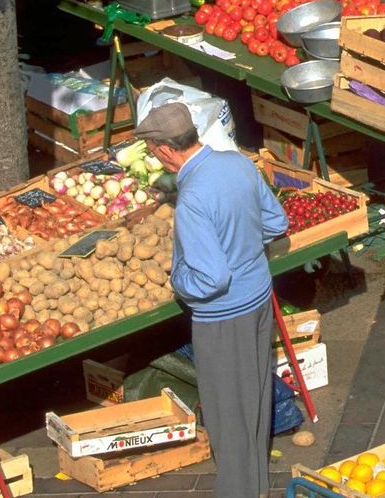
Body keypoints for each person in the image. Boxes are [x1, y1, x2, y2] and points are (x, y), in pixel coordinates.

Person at [135, 101, 287, 498]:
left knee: (227, 417)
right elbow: (275, 221)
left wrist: (179, 280)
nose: (156, 159)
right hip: (257, 301)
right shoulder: (236, 164)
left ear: (166, 149)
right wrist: (244, 248)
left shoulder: (193, 199)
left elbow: (211, 277)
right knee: (253, 402)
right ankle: (255, 489)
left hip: (222, 318)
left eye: (153, 151)